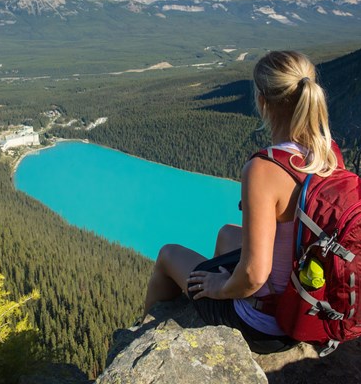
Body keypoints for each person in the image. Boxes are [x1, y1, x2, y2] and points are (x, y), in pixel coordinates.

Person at [142, 50, 339, 354]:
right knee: (225, 233)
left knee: (168, 255)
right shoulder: (328, 154)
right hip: (307, 302)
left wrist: (219, 288)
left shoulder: (265, 169)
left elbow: (254, 275)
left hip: (265, 324)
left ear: (262, 100)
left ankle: (144, 337)